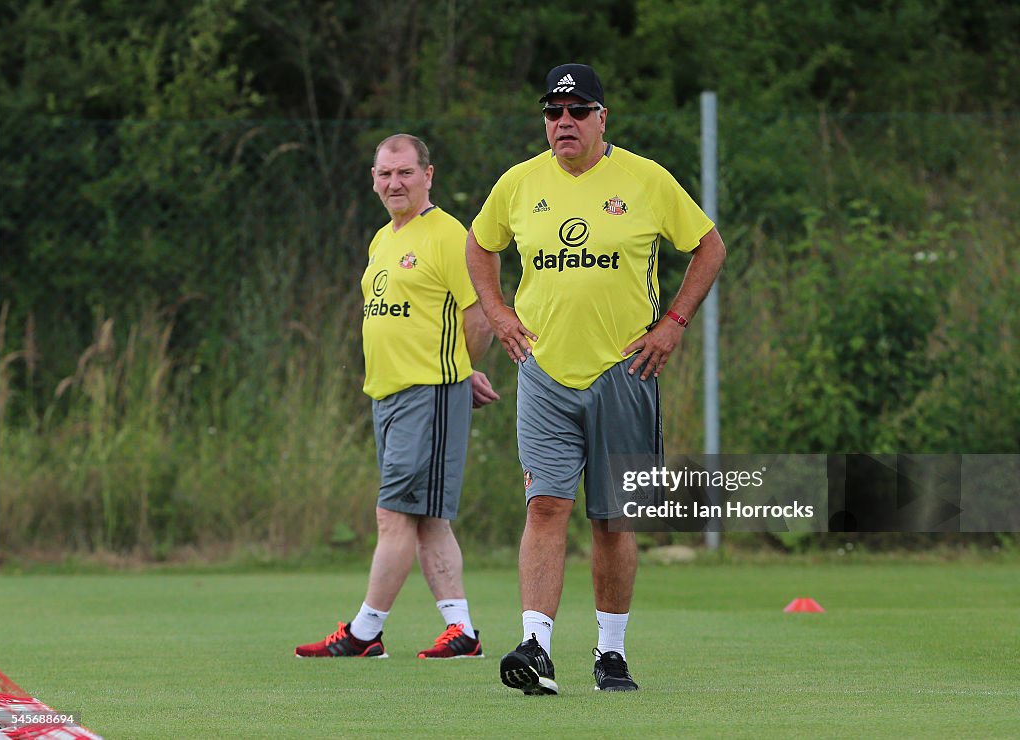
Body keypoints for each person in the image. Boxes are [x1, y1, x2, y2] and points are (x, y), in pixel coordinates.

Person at [466, 64, 726, 693]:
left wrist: (674, 323)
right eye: (554, 113)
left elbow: (709, 246)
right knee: (547, 504)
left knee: (613, 520)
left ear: (602, 117)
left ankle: (610, 653)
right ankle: (536, 648)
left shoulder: (642, 178)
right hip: (544, 370)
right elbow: (479, 246)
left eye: (578, 111)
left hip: (625, 370)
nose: (564, 123)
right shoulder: (520, 183)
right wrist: (499, 315)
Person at [296, 133, 499, 660]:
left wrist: (462, 370)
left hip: (427, 393)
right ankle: (462, 632)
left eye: (405, 172)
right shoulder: (383, 239)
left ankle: (366, 632)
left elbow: (479, 312)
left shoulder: (448, 234)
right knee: (428, 518)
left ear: (428, 175)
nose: (395, 183)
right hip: (388, 396)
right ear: (373, 180)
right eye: (385, 174)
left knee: (394, 515)